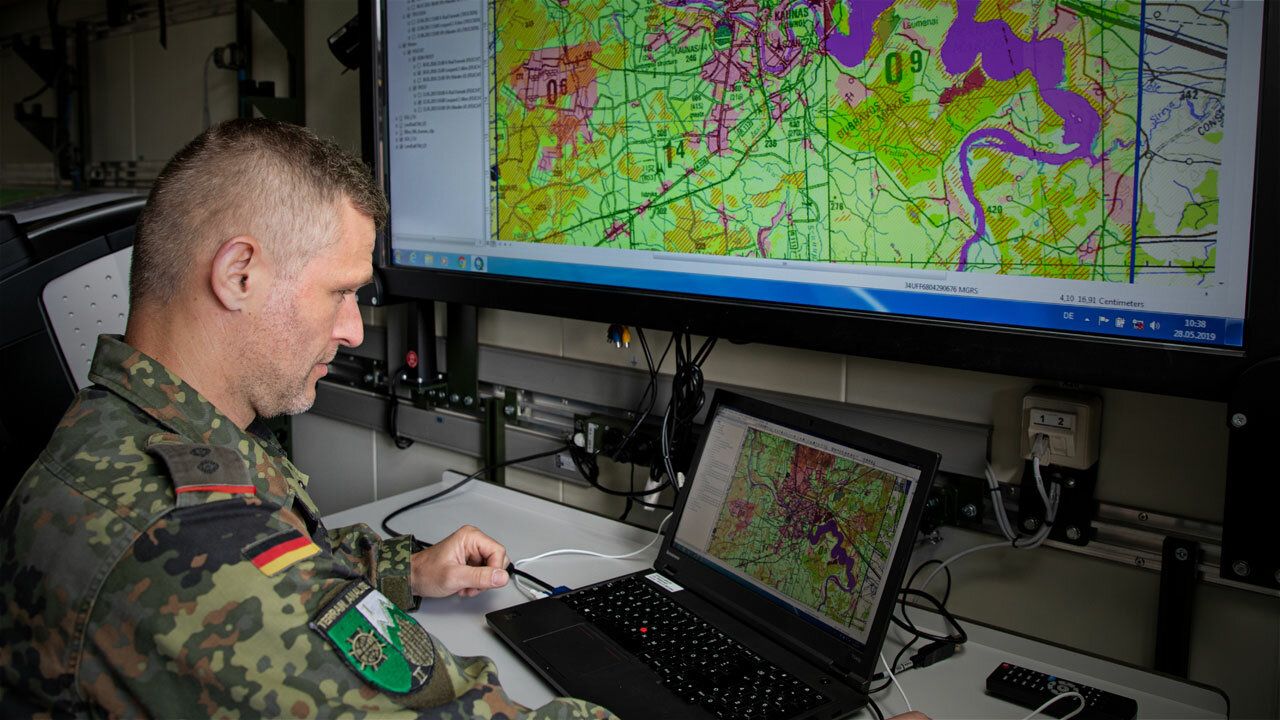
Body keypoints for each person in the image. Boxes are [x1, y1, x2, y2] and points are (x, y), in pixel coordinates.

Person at [0, 119, 614, 718]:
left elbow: (283, 556)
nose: (351, 330)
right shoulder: (177, 534)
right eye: (339, 292)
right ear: (239, 274)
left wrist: (406, 570)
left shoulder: (115, 427)